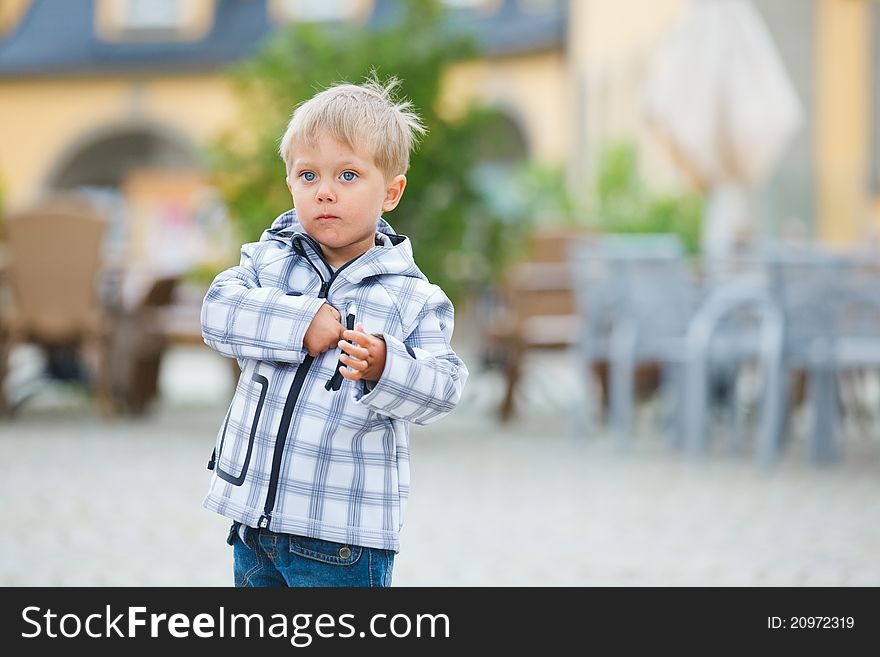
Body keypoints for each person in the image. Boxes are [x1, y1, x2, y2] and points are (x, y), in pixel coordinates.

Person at [200, 78, 468, 587]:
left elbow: (445, 388)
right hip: (255, 526)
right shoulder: (267, 263)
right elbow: (218, 313)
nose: (325, 191)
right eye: (308, 175)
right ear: (291, 184)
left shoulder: (412, 296)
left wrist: (385, 366)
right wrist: (301, 321)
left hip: (342, 538)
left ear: (391, 191)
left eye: (348, 175)